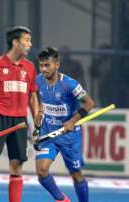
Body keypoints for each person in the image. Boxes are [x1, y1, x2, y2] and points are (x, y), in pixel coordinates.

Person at [0, 26, 39, 202]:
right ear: (15, 42)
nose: (30, 44)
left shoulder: (30, 67)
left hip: (19, 121)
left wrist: (37, 125)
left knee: (16, 168)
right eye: (26, 40)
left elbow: (33, 97)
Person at [34, 47, 95, 202]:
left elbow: (89, 103)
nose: (43, 69)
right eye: (41, 65)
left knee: (76, 174)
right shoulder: (39, 80)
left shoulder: (70, 84)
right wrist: (40, 111)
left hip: (70, 136)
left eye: (47, 65)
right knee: (41, 171)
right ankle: (61, 199)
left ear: (57, 65)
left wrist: (73, 121)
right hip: (49, 134)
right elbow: (39, 97)